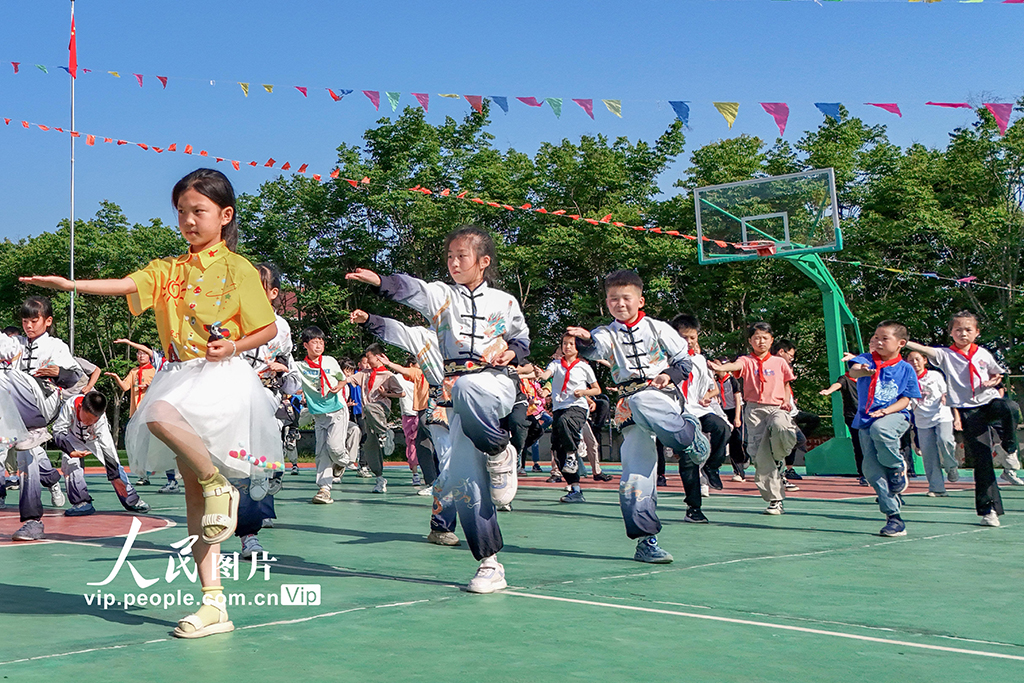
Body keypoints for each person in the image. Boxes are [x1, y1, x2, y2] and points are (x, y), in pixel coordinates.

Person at [21, 168, 283, 638]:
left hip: (221, 378)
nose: (188, 220)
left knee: (158, 417)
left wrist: (234, 346)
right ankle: (214, 604)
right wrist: (71, 285)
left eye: (198, 211)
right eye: (181, 212)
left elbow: (266, 328)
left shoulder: (239, 269)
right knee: (195, 499)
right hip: (178, 375)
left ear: (225, 215)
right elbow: (125, 284)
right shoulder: (169, 269)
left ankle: (218, 482)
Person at [346, 224, 529, 593]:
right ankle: (489, 564)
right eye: (449, 256)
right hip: (455, 395)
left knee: (469, 387)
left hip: (495, 382)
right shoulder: (442, 296)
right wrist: (380, 281)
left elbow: (521, 339)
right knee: (463, 480)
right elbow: (411, 289)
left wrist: (511, 352)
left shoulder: (506, 301)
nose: (454, 263)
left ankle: (499, 450)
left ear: (483, 261)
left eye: (462, 256)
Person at [567, 270, 709, 563]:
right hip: (627, 405)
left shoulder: (659, 328)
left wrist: (668, 375)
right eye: (612, 299)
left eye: (626, 298)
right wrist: (585, 340)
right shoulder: (606, 332)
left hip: (661, 396)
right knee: (634, 474)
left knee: (644, 398)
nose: (619, 304)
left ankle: (687, 436)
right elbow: (595, 348)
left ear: (640, 300)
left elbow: (684, 362)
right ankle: (646, 541)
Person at [353, 309, 462, 546]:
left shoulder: (474, 338)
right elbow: (400, 335)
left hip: (466, 406)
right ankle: (442, 525)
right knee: (445, 462)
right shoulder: (427, 344)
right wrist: (370, 320)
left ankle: (499, 460)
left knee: (465, 463)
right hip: (437, 408)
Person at [906, 311, 1016, 527]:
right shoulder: (946, 355)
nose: (963, 333)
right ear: (951, 333)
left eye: (968, 329)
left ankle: (1010, 448)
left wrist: (995, 379)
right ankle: (988, 510)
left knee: (1010, 407)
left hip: (988, 402)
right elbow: (926, 350)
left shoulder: (983, 353)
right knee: (982, 461)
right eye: (958, 330)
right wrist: (904, 341)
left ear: (977, 332)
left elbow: (996, 374)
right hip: (969, 411)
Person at [0, 296, 86, 539]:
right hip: (18, 413)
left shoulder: (56, 346)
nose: (28, 326)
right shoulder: (15, 343)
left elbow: (76, 378)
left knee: (9, 374)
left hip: (44, 403)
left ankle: (32, 432)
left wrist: (59, 372)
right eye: (24, 321)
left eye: (34, 320)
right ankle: (32, 522)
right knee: (26, 460)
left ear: (47, 321)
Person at [709, 323, 798, 515]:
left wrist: (786, 400)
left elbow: (786, 383)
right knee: (761, 457)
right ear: (750, 341)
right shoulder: (746, 360)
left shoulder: (779, 362)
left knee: (782, 427)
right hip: (754, 410)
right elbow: (736, 366)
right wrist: (721, 367)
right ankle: (775, 500)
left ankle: (780, 457)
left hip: (776, 407)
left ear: (771, 340)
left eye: (765, 338)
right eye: (757, 338)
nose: (761, 341)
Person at [847, 321, 921, 536]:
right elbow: (854, 371)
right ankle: (894, 517)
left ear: (901, 343)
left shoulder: (906, 369)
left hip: (894, 416)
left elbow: (906, 399)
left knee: (881, 429)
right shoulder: (867, 359)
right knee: (871, 470)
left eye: (884, 338)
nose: (878, 342)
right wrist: (862, 371)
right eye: (876, 338)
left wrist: (886, 411)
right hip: (866, 419)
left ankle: (897, 466)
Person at [671, 314, 732, 523]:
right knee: (688, 458)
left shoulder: (699, 360)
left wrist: (707, 396)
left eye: (692, 338)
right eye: (683, 337)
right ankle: (693, 507)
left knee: (722, 428)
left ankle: (712, 466)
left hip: (697, 409)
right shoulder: (665, 359)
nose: (688, 342)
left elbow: (710, 387)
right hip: (677, 413)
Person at [51, 391, 151, 516]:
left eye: (93, 421)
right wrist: (70, 451)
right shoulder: (70, 406)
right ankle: (81, 502)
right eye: (87, 419)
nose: (89, 423)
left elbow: (107, 447)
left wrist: (115, 476)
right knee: (71, 465)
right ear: (80, 407)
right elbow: (58, 430)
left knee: (115, 466)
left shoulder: (101, 421)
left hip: (94, 439)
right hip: (72, 438)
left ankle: (131, 500)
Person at [535, 334, 602, 503]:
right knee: (557, 449)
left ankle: (572, 453)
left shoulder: (583, 367)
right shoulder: (556, 364)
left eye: (571, 344)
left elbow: (597, 389)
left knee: (565, 421)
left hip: (578, 407)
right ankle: (575, 489)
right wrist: (540, 375)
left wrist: (584, 392)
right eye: (565, 343)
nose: (567, 346)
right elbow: (546, 375)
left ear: (577, 347)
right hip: (559, 408)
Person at [296, 326, 351, 504]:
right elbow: (287, 371)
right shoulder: (300, 366)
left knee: (334, 448)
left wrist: (339, 386)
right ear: (306, 345)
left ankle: (343, 461)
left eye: (321, 342)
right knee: (321, 452)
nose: (319, 345)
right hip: (319, 415)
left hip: (337, 410)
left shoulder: (330, 361)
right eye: (314, 342)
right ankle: (324, 489)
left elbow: (343, 379)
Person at [346, 343, 405, 494]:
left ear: (378, 357)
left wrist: (386, 394)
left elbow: (401, 393)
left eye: (369, 357)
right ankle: (379, 478)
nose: (367, 360)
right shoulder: (365, 374)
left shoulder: (388, 375)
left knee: (369, 407)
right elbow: (348, 380)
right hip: (368, 415)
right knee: (370, 446)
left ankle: (385, 432)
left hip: (381, 409)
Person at [105, 341, 163, 487]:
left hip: (151, 412)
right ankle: (143, 475)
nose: (141, 356)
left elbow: (162, 388)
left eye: (144, 353)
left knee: (158, 444)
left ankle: (171, 474)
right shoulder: (134, 372)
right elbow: (125, 387)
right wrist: (116, 377)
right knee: (140, 445)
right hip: (136, 413)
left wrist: (150, 386)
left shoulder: (156, 371)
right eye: (139, 353)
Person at [905, 350, 958, 496]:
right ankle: (937, 488)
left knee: (945, 440)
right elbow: (905, 401)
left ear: (924, 360)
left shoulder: (935, 375)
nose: (915, 363)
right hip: (922, 420)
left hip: (941, 415)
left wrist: (945, 397)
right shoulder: (907, 379)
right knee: (929, 454)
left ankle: (951, 466)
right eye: (911, 360)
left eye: (917, 359)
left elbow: (946, 392)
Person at [772, 340, 819, 486]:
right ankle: (781, 467)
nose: (791, 359)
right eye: (790, 356)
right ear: (781, 352)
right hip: (782, 413)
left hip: (793, 411)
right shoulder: (773, 367)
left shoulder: (784, 370)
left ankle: (786, 467)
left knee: (813, 421)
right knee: (797, 439)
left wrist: (790, 401)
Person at [380, 354, 429, 487]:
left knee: (420, 443)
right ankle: (418, 474)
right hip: (411, 413)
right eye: (418, 364)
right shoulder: (402, 377)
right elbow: (391, 377)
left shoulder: (423, 376)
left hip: (420, 412)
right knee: (414, 444)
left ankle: (423, 474)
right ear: (411, 365)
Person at [820, 369, 868, 485]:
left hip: (868, 415)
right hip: (853, 417)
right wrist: (828, 391)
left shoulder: (867, 378)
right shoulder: (845, 379)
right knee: (858, 444)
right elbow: (838, 384)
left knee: (871, 444)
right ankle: (863, 474)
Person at [713, 362, 745, 481]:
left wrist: (737, 417)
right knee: (724, 439)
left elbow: (738, 400)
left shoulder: (732, 381)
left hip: (734, 411)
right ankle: (717, 468)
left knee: (738, 440)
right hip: (722, 412)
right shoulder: (715, 381)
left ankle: (741, 467)